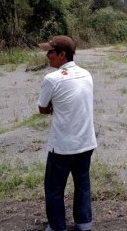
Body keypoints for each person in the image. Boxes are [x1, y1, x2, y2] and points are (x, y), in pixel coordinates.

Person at [37, 35, 97, 231]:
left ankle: (57, 226)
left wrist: (56, 105)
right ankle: (84, 223)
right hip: (86, 142)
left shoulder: (51, 79)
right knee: (82, 186)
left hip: (62, 146)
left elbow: (43, 109)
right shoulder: (86, 74)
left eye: (50, 52)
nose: (47, 56)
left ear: (62, 55)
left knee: (54, 189)